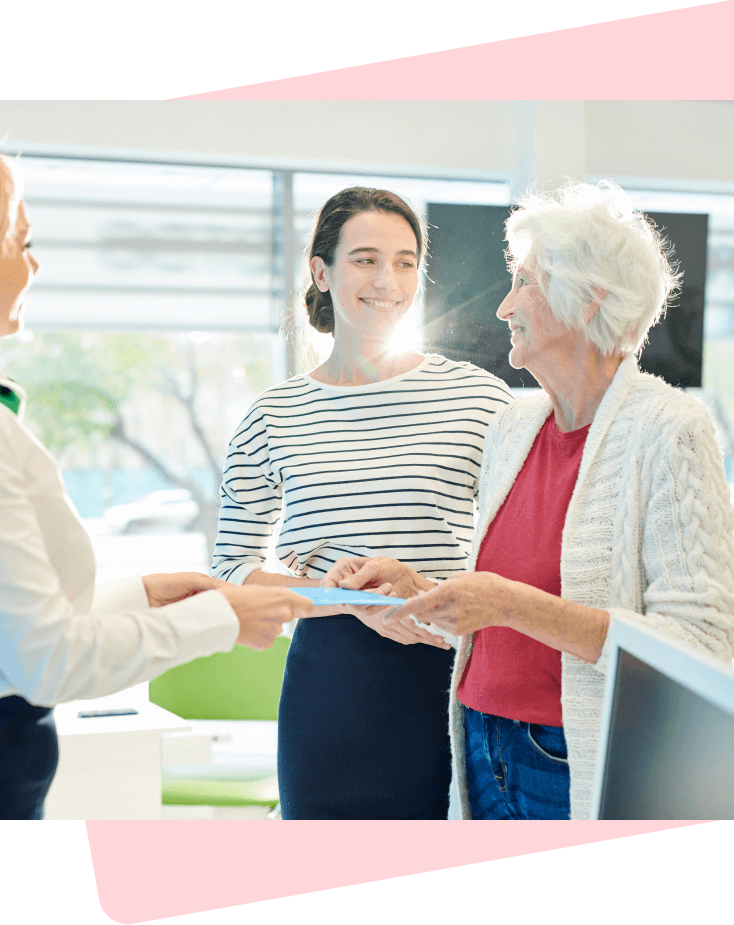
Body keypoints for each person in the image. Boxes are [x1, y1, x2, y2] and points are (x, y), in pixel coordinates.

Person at [0, 133, 311, 820]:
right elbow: (46, 659)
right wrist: (220, 619)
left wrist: (143, 596)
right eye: (20, 242)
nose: (36, 264)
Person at [326, 179, 734, 820]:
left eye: (523, 282)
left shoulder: (670, 428)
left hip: (565, 755)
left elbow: (704, 640)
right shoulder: (514, 426)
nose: (504, 307)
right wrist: (420, 589)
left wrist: (511, 603)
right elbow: (501, 608)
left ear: (586, 300)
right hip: (477, 739)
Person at [211, 187, 514, 819]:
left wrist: (423, 589)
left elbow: (521, 551)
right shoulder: (274, 415)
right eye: (365, 259)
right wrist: (351, 597)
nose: (388, 280)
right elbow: (230, 571)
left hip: (453, 674)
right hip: (331, 690)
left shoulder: (478, 399)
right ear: (321, 271)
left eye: (406, 261)